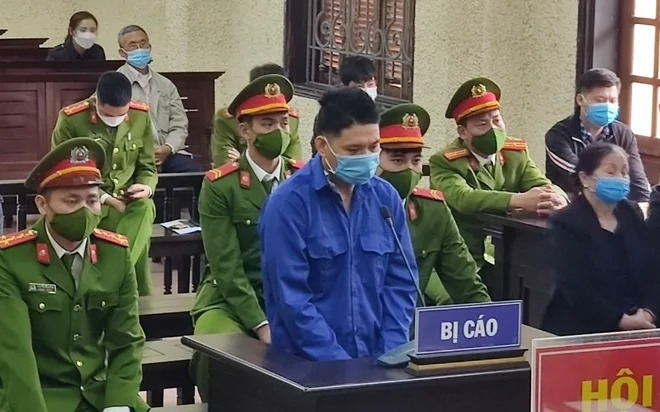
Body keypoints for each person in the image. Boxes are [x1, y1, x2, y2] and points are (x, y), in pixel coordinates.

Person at [259, 87, 418, 362]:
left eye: (374, 147)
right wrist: (340, 365)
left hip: (380, 362)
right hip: (307, 367)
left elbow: (401, 282)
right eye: (353, 150)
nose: (366, 157)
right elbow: (292, 299)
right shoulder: (288, 204)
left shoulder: (385, 198)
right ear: (323, 146)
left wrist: (390, 353)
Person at [0, 137, 148, 412]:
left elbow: (127, 339)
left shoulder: (115, 254)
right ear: (42, 205)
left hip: (100, 394)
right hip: (42, 396)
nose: (84, 211)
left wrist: (118, 404)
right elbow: (14, 351)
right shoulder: (11, 259)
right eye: (71, 201)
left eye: (92, 200)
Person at [189, 74, 304, 400]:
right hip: (229, 300)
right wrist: (260, 324)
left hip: (290, 299)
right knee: (219, 356)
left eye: (283, 123)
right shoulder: (220, 186)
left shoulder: (304, 180)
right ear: (245, 131)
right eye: (267, 124)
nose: (278, 132)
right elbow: (225, 265)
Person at [429, 77, 568, 284]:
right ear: (463, 132)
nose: (493, 129)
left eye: (497, 120)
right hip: (463, 259)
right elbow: (463, 198)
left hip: (510, 254)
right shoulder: (444, 161)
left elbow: (541, 184)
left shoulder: (515, 152)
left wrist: (559, 199)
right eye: (482, 124)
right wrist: (519, 200)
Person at [51, 71, 157, 296]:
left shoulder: (140, 116)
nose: (115, 120)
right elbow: (65, 173)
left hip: (127, 202)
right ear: (97, 101)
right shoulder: (72, 119)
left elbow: (148, 167)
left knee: (146, 207)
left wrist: (145, 187)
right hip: (87, 203)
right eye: (108, 115)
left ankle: (111, 277)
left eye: (121, 115)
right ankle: (129, 287)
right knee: (138, 239)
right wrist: (107, 199)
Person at [378, 103, 490, 306]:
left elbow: (465, 281)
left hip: (410, 322)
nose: (409, 170)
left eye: (416, 161)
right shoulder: (350, 207)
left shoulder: (432, 211)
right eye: (397, 161)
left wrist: (491, 319)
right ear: (373, 162)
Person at [542, 142, 659, 336]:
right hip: (582, 328)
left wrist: (649, 312)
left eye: (624, 172)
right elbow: (575, 286)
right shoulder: (566, 222)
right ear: (585, 178)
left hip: (640, 323)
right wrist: (620, 320)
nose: (620, 178)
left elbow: (651, 271)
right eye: (611, 172)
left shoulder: (632, 213)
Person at [545, 68, 650, 201]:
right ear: (580, 100)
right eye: (600, 100)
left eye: (613, 101)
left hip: (616, 206)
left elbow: (637, 178)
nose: (607, 106)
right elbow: (580, 176)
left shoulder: (623, 134)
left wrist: (645, 206)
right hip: (569, 205)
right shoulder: (559, 135)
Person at [115, 25, 202, 173]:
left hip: (166, 154)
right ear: (122, 53)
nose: (139, 49)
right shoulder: (113, 83)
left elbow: (179, 124)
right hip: (131, 156)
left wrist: (168, 148)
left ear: (150, 46)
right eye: (133, 45)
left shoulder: (166, 85)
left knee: (196, 173)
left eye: (143, 43)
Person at [212, 63, 301, 166]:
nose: (278, 128)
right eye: (267, 124)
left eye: (284, 123)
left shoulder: (292, 119)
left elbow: (292, 163)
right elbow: (224, 162)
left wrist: (241, 159)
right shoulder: (229, 119)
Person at [310, 55, 380, 155]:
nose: (366, 90)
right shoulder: (330, 114)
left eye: (370, 85)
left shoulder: (382, 114)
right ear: (346, 86)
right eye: (359, 86)